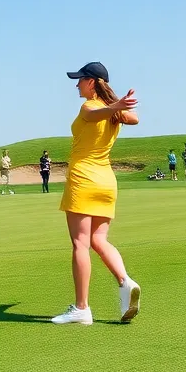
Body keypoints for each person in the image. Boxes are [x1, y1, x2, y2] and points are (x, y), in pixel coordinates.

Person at [52, 62, 142, 326]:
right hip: (106, 181)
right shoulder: (112, 113)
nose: (76, 84)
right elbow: (134, 118)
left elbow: (93, 115)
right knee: (99, 240)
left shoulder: (89, 106)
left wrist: (114, 106)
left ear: (91, 82)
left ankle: (81, 309)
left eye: (80, 79)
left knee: (81, 243)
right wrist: (118, 108)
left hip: (84, 178)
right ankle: (126, 282)